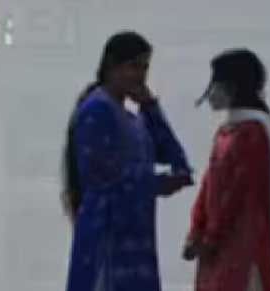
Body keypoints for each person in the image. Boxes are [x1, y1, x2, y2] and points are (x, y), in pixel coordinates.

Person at [63, 31, 194, 291]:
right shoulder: (96, 111)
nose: (140, 75)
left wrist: (150, 106)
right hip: (108, 239)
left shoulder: (134, 120)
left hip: (136, 239)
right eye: (133, 66)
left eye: (145, 68)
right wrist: (157, 184)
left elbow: (174, 156)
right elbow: (101, 177)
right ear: (112, 65)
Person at [183, 49, 270, 291]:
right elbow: (208, 185)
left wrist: (211, 237)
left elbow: (238, 193)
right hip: (216, 243)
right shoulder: (227, 131)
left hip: (241, 243)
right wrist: (196, 229)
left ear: (231, 87)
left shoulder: (254, 132)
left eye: (215, 84)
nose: (210, 93)